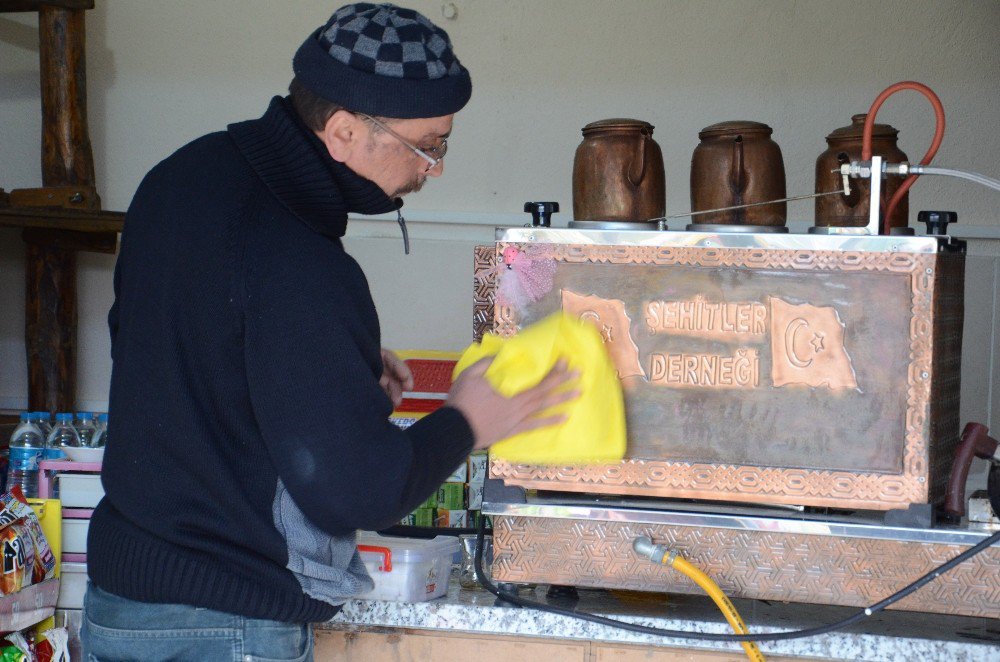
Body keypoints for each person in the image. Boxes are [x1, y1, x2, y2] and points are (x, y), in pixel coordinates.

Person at [81, 4, 576, 660]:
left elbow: (177, 356)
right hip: (225, 623)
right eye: (427, 145)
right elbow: (359, 491)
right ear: (343, 130)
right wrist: (467, 421)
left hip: (119, 603)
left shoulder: (180, 179)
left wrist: (333, 368)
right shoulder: (301, 258)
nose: (435, 167)